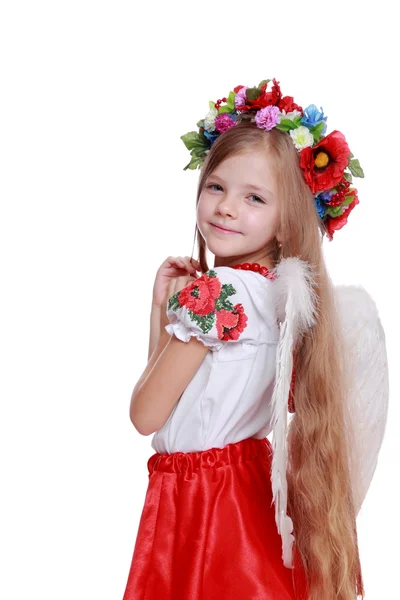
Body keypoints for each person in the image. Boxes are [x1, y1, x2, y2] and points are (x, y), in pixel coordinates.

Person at [122, 78, 389, 600]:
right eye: (217, 186)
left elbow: (147, 414)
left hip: (204, 503)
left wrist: (166, 309)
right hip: (249, 490)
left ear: (289, 221)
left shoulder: (219, 293)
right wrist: (164, 308)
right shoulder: (278, 297)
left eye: (254, 198)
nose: (225, 207)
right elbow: (177, 401)